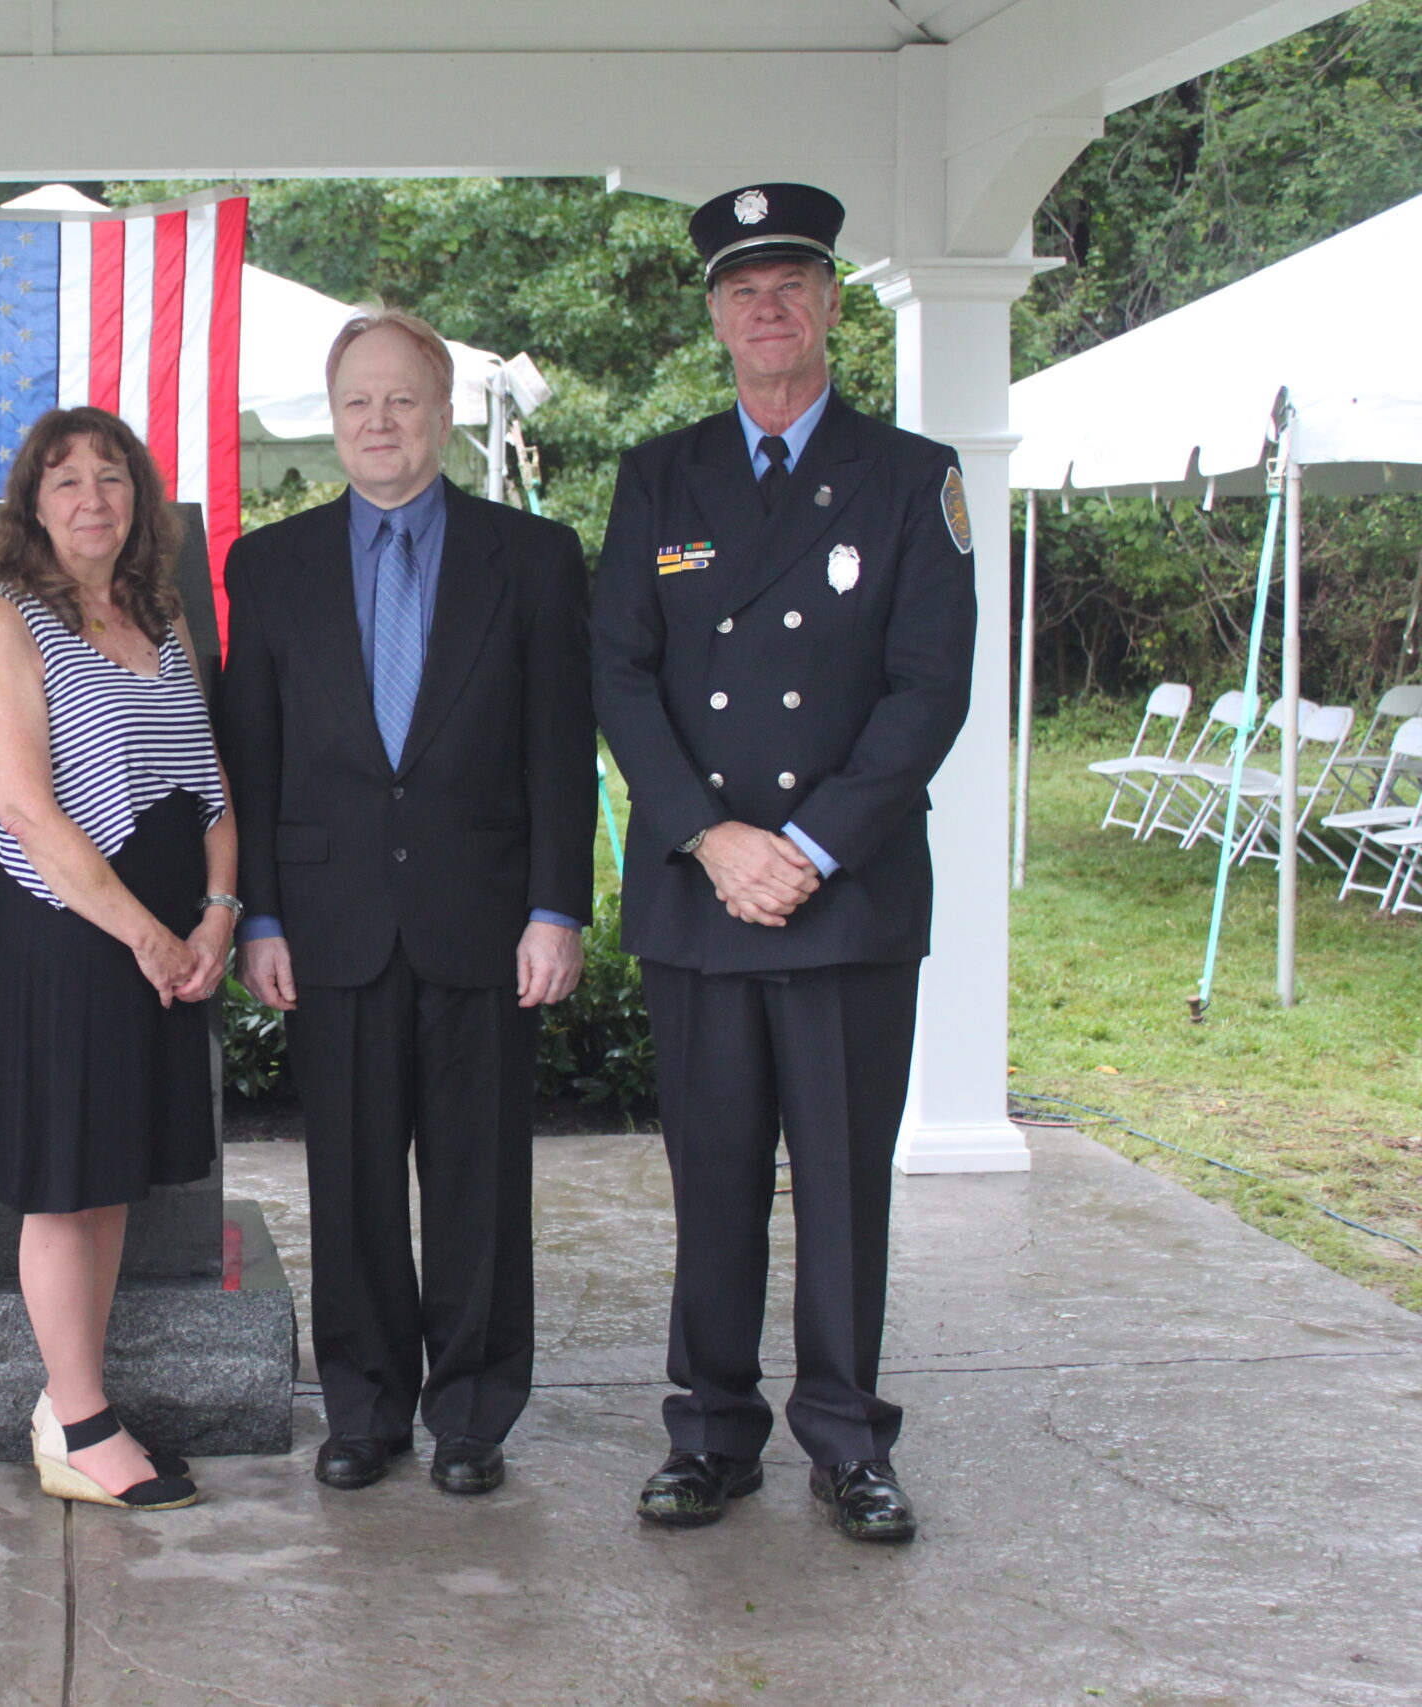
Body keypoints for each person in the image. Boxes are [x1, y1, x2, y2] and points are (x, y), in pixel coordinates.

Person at [590, 184, 975, 1543]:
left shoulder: (910, 474)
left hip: (845, 888)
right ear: (714, 315)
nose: (768, 305)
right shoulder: (661, 476)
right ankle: (709, 1431)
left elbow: (928, 691)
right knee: (712, 1174)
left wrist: (807, 842)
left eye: (793, 281)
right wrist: (711, 830)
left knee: (845, 1180)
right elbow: (620, 671)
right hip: (706, 890)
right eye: (744, 286)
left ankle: (850, 1436)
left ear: (828, 303)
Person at [221, 310, 594, 1497]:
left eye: (402, 401)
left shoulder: (532, 560)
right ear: (331, 423)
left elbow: (557, 752)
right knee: (352, 1178)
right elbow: (254, 757)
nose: (378, 423)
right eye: (356, 404)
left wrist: (558, 908)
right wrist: (261, 917)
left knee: (481, 1179)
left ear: (441, 413)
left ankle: (473, 1413)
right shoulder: (267, 566)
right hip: (329, 924)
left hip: (485, 916)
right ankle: (367, 1407)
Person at [0, 406, 234, 1513]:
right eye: (64, 480)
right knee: (66, 1184)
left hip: (168, 948)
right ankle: (75, 1421)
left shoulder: (159, 615)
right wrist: (147, 936)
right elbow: (24, 809)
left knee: (110, 1176)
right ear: (31, 503)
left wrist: (215, 916)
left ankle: (79, 1407)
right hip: (74, 942)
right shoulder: (5, 621)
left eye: (111, 477)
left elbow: (213, 785)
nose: (91, 498)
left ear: (141, 499)